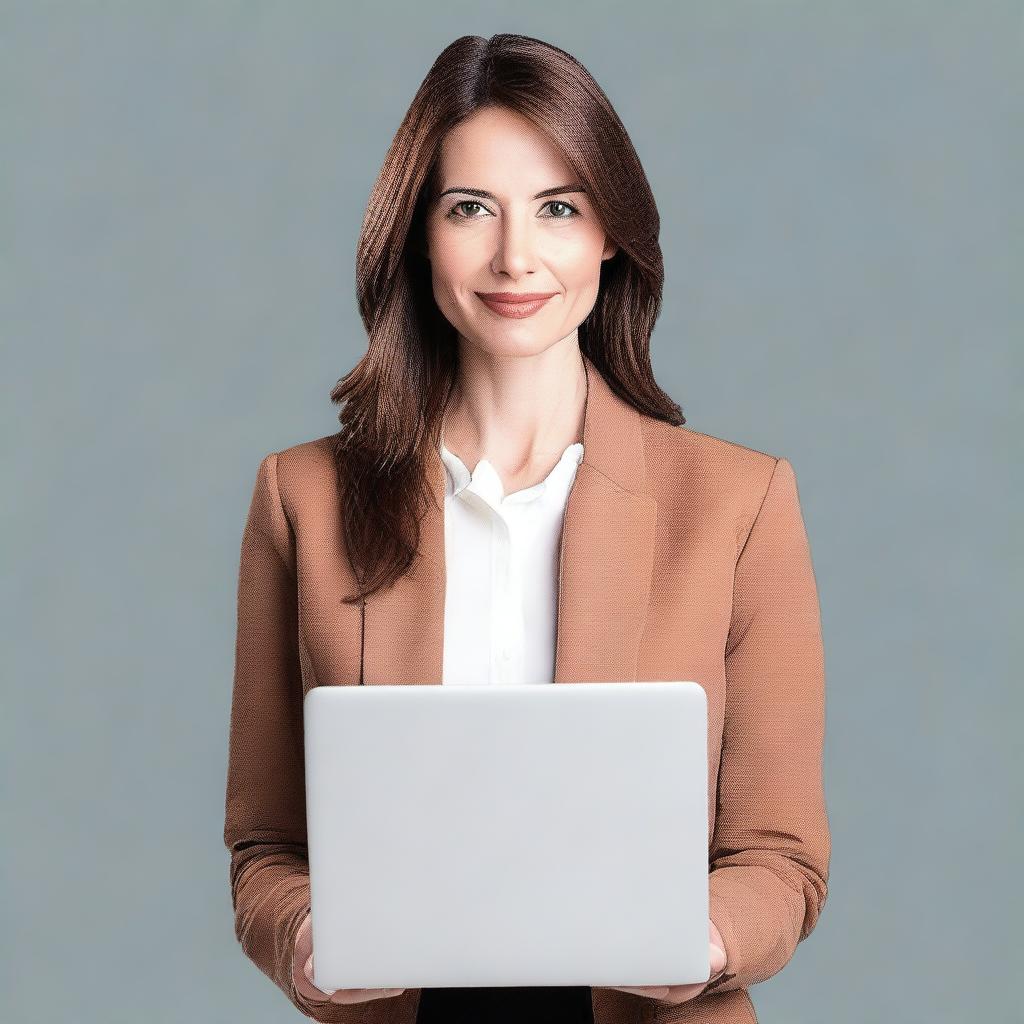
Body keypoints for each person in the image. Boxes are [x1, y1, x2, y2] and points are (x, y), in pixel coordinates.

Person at [224, 32, 829, 1024]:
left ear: (609, 235)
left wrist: (705, 934)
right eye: (471, 208)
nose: (515, 256)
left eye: (558, 207)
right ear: (419, 234)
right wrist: (303, 936)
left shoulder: (738, 503)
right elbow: (265, 849)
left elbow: (780, 855)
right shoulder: (302, 498)